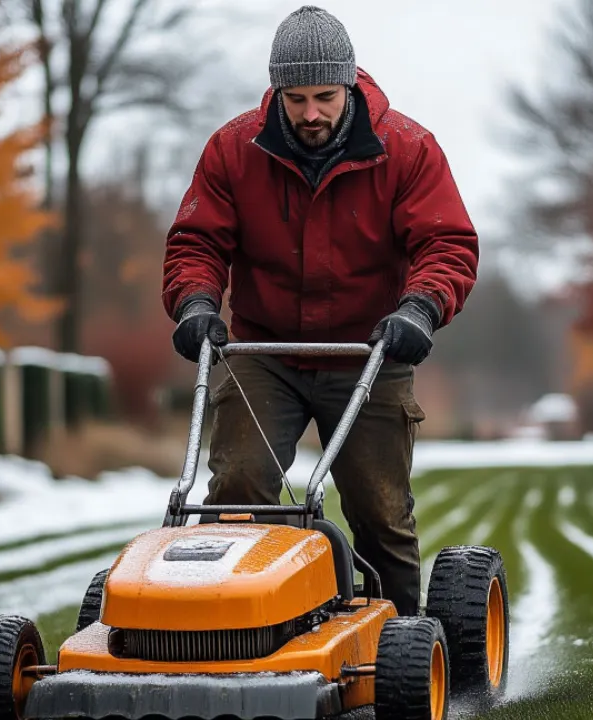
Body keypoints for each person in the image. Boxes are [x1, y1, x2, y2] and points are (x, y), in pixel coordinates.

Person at [160, 5, 479, 617]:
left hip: (371, 351)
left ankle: (401, 639)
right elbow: (197, 241)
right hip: (264, 351)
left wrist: (420, 309)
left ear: (349, 85)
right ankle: (242, 631)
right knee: (237, 495)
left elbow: (446, 244)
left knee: (380, 513)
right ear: (276, 93)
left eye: (325, 97)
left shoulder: (407, 149)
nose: (311, 113)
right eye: (297, 99)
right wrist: (195, 302)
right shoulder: (233, 150)